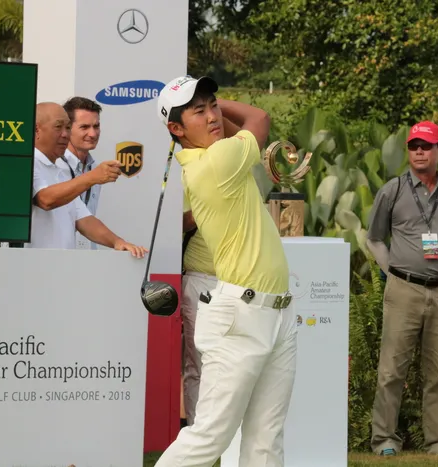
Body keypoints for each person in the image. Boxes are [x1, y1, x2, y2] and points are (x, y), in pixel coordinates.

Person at [153, 75, 297, 467]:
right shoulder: (217, 162)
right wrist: (223, 100)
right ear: (176, 129)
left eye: (213, 106)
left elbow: (238, 130)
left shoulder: (216, 154)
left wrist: (208, 104)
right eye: (198, 112)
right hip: (241, 316)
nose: (212, 116)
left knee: (266, 438)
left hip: (276, 312)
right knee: (209, 437)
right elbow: (259, 118)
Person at [366, 121, 438, 457]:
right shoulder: (392, 190)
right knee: (391, 371)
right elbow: (374, 239)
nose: (419, 152)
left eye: (426, 146)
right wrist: (394, 273)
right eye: (413, 146)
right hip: (403, 290)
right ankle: (384, 439)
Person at [25, 101, 147, 258]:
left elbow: (84, 219)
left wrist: (118, 242)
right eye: (58, 127)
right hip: (32, 265)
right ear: (37, 129)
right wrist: (92, 177)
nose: (65, 134)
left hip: (63, 265)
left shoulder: (61, 172)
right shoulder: (27, 163)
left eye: (68, 127)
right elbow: (45, 199)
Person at [179, 189, 217, 427]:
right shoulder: (191, 179)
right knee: (199, 364)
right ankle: (197, 431)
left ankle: (224, 435)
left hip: (238, 284)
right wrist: (209, 204)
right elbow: (178, 223)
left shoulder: (246, 185)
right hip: (201, 280)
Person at [60, 97, 110, 250]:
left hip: (87, 256)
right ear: (67, 128)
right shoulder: (55, 165)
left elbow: (86, 216)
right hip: (57, 256)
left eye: (96, 126)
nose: (93, 134)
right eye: (84, 127)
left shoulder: (95, 167)